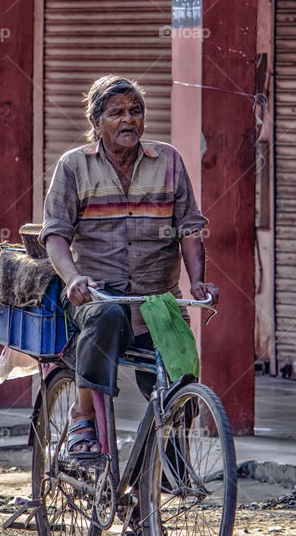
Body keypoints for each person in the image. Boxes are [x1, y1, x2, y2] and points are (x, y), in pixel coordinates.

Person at [40, 75, 219, 459]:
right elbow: (55, 234)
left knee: (179, 384)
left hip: (157, 301)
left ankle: (158, 484)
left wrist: (199, 281)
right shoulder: (74, 167)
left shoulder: (168, 161)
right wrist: (73, 278)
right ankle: (83, 415)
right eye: (117, 112)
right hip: (98, 294)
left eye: (135, 112)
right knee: (103, 316)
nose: (128, 120)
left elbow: (189, 227)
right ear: (96, 123)